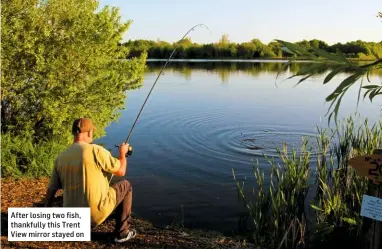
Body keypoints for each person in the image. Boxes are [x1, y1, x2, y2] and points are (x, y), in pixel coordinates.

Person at [44, 118, 136, 243]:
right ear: (88, 133)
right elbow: (121, 171)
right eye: (92, 131)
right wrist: (122, 154)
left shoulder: (61, 156)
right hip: (94, 216)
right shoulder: (96, 150)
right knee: (126, 186)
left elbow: (51, 190)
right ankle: (122, 234)